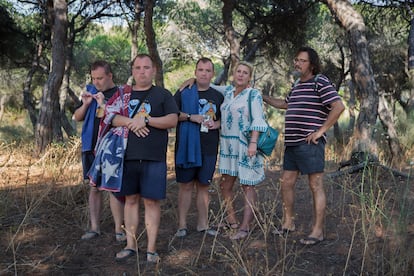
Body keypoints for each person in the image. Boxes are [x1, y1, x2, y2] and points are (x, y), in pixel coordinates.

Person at [99, 54, 178, 263]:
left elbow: (172, 119)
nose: (141, 72)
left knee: (151, 202)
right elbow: (109, 117)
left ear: (154, 71)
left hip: (153, 157)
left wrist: (147, 119)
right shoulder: (122, 94)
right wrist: (133, 122)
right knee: (131, 200)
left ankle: (151, 250)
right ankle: (130, 245)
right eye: (137, 68)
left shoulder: (163, 94)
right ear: (132, 71)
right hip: (126, 157)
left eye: (146, 68)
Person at [262, 46, 345, 245]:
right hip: (292, 143)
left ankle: (317, 231)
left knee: (315, 185)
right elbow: (285, 104)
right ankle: (288, 223)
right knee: (287, 182)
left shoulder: (320, 81)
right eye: (296, 60)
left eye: (302, 61)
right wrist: (262, 96)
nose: (297, 63)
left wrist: (321, 130)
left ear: (312, 65)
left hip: (310, 144)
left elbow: (339, 106)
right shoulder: (298, 84)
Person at [180, 61, 268, 240]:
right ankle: (232, 220)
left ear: (249, 77)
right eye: (238, 71)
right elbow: (207, 83)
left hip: (245, 145)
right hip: (227, 146)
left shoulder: (253, 95)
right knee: (225, 185)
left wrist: (253, 142)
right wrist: (191, 79)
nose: (241, 75)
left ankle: (244, 227)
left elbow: (258, 120)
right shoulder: (227, 92)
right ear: (233, 74)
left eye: (245, 72)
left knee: (247, 185)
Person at [73, 60, 125, 243]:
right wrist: (86, 104)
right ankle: (94, 228)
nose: (96, 82)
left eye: (100, 78)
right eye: (94, 78)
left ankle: (120, 230)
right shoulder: (91, 91)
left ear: (110, 76)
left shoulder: (120, 93)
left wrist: (103, 104)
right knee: (93, 187)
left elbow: (110, 117)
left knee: (112, 187)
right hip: (90, 145)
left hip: (111, 147)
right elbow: (77, 117)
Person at [174, 57, 224, 238]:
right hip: (186, 146)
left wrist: (216, 124)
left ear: (212, 74)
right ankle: (182, 225)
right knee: (185, 186)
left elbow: (225, 119)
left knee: (204, 186)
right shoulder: (183, 91)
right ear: (195, 72)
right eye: (200, 70)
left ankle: (203, 225)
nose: (204, 73)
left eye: (208, 70)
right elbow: (172, 115)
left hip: (209, 147)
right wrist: (190, 117)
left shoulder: (219, 95)